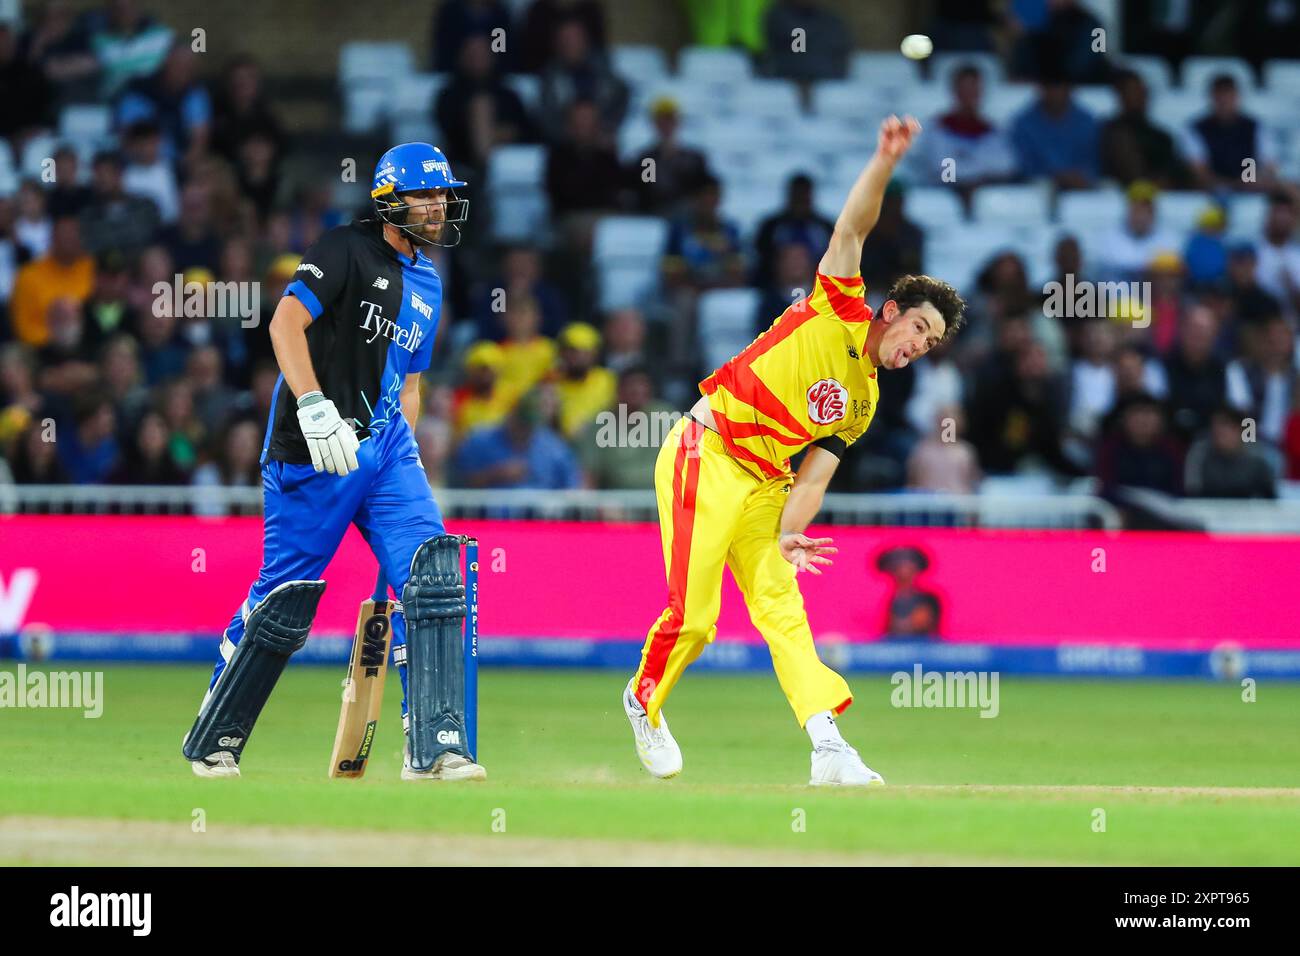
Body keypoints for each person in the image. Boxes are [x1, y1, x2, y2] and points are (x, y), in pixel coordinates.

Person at [622, 116, 966, 787]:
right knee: (695, 619)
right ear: (890, 310)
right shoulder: (836, 306)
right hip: (707, 450)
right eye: (918, 328)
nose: (916, 346)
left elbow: (816, 475)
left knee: (785, 612)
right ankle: (643, 699)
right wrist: (885, 159)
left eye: (929, 345)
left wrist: (790, 534)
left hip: (766, 486)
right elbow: (852, 229)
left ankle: (829, 748)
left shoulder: (865, 401)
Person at [181, 143, 486, 783]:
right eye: (424, 196)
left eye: (441, 196)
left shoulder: (429, 282)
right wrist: (314, 405)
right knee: (287, 596)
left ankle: (435, 747)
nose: (436, 206)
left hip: (386, 448)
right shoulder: (342, 247)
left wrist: (410, 460)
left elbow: (407, 382)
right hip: (313, 447)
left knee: (432, 578)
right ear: (389, 201)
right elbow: (285, 326)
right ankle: (216, 736)